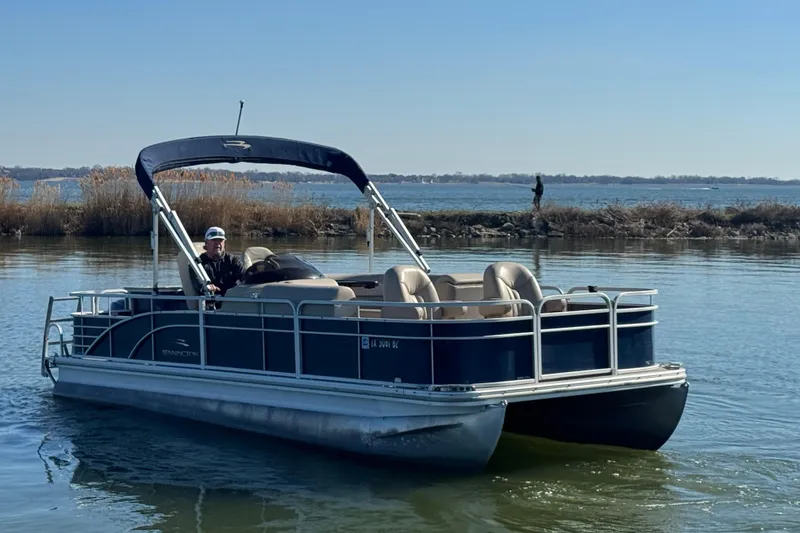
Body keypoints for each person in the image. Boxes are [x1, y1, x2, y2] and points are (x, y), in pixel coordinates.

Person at [190, 226, 244, 298]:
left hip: (232, 301)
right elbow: (196, 282)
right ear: (206, 243)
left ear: (224, 243)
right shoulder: (199, 263)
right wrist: (206, 287)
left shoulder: (233, 260)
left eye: (220, 240)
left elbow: (245, 276)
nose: (217, 243)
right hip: (210, 303)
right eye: (214, 240)